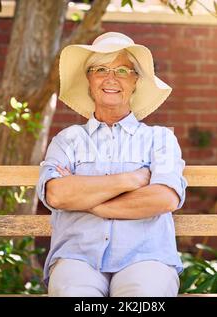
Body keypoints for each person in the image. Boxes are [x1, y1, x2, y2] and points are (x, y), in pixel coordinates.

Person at [36, 32, 187, 297]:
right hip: (77, 257)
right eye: (101, 69)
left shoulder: (160, 139)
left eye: (122, 70)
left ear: (135, 81)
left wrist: (88, 201)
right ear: (89, 79)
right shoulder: (67, 140)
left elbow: (164, 198)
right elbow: (57, 194)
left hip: (146, 257)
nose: (111, 78)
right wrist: (131, 180)